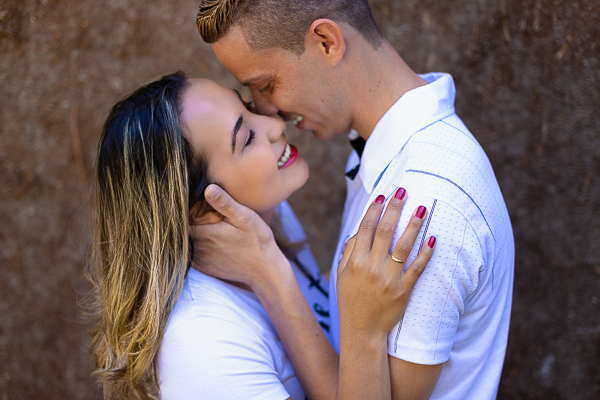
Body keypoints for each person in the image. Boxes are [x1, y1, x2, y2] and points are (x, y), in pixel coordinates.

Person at [194, 0, 515, 399]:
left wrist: (270, 274)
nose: (267, 111)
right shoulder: (389, 154)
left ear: (327, 42)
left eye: (266, 84)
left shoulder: (419, 205)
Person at [85, 71, 436, 400]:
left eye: (247, 108)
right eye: (247, 138)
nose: (275, 123)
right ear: (201, 212)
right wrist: (362, 327)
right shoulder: (203, 343)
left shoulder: (267, 221)